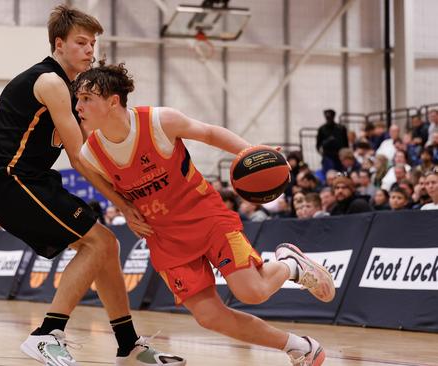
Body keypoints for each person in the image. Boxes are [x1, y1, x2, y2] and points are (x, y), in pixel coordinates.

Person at [75, 62, 335, 366]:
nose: (78, 106)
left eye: (85, 98)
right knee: (209, 316)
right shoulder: (90, 153)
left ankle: (291, 265)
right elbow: (99, 180)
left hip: (206, 217)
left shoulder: (159, 122)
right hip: (163, 237)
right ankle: (300, 347)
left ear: (112, 101)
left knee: (252, 292)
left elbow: (210, 134)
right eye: (77, 99)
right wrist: (125, 208)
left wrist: (255, 154)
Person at [0, 6, 181, 365]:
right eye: (81, 42)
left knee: (107, 245)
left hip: (31, 179)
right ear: (59, 44)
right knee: (99, 242)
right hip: (11, 179)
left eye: (93, 43)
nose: (89, 50)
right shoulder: (52, 83)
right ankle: (46, 334)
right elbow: (81, 157)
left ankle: (128, 344)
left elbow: (101, 146)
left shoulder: (74, 89)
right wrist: (125, 204)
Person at [316, 109, 348, 174]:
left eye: (330, 117)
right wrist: (322, 153)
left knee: (340, 174)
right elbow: (318, 145)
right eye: (327, 117)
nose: (329, 119)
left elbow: (346, 143)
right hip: (328, 155)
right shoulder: (322, 129)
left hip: (339, 155)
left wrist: (344, 155)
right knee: (329, 174)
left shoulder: (341, 128)